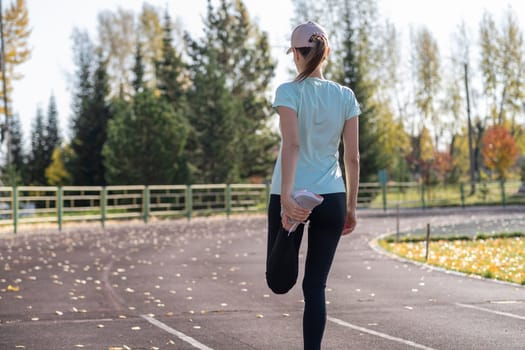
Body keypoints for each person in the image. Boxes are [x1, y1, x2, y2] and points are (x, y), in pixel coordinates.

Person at [265, 20, 360, 350]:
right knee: (315, 286)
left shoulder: (287, 92)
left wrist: (288, 200)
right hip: (332, 197)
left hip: (289, 193)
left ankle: (290, 227)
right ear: (325, 52)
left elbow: (291, 145)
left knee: (278, 282)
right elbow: (353, 157)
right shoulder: (345, 95)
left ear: (295, 55)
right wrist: (350, 207)